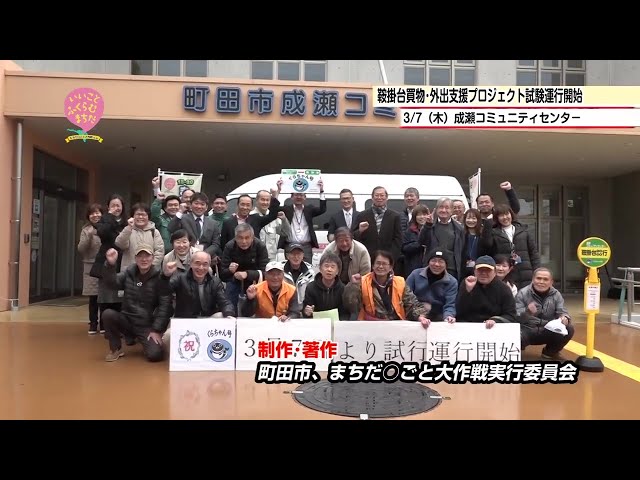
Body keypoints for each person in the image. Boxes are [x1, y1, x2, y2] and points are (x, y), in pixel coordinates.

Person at [100, 244, 173, 362]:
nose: (144, 259)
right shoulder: (129, 273)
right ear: (135, 258)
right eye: (140, 256)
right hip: (127, 320)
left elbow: (165, 306)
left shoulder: (160, 277)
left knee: (155, 355)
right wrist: (110, 265)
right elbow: (112, 283)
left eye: (147, 256)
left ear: (152, 258)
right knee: (108, 314)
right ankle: (115, 349)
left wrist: (156, 330)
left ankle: (144, 341)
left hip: (146, 325)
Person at [343, 250, 430, 327]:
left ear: (391, 267)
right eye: (378, 263)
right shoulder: (363, 281)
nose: (381, 266)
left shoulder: (400, 282)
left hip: (396, 324)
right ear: (373, 266)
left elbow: (412, 304)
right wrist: (353, 285)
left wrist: (421, 317)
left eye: (384, 264)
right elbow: (350, 305)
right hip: (370, 324)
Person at [515, 267, 574, 360]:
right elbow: (515, 317)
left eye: (545, 279)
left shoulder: (556, 294)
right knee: (512, 335)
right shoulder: (522, 293)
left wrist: (564, 317)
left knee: (569, 328)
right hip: (526, 330)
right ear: (533, 279)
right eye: (538, 278)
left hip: (547, 329)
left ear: (551, 282)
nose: (541, 282)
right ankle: (517, 352)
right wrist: (527, 312)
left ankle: (549, 353)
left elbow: (562, 311)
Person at [455, 255, 517, 328]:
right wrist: (468, 291)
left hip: (494, 329)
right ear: (474, 271)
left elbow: (511, 315)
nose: (483, 273)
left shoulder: (504, 289)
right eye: (480, 270)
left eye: (488, 270)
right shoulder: (467, 282)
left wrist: (495, 321)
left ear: (495, 272)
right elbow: (459, 311)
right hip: (468, 326)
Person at [406, 249, 458, 323]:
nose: (437, 264)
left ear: (446, 265)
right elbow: (406, 297)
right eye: (433, 260)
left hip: (438, 317)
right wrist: (419, 313)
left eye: (441, 261)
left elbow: (450, 304)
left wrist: (448, 316)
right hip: (415, 313)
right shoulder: (415, 274)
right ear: (428, 262)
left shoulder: (452, 282)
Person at [302, 253, 348, 320]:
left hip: (336, 323)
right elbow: (306, 311)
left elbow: (345, 313)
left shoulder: (343, 289)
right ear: (320, 269)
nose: (329, 269)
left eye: (332, 267)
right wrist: (306, 312)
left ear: (337, 271)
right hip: (317, 323)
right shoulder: (311, 287)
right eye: (326, 266)